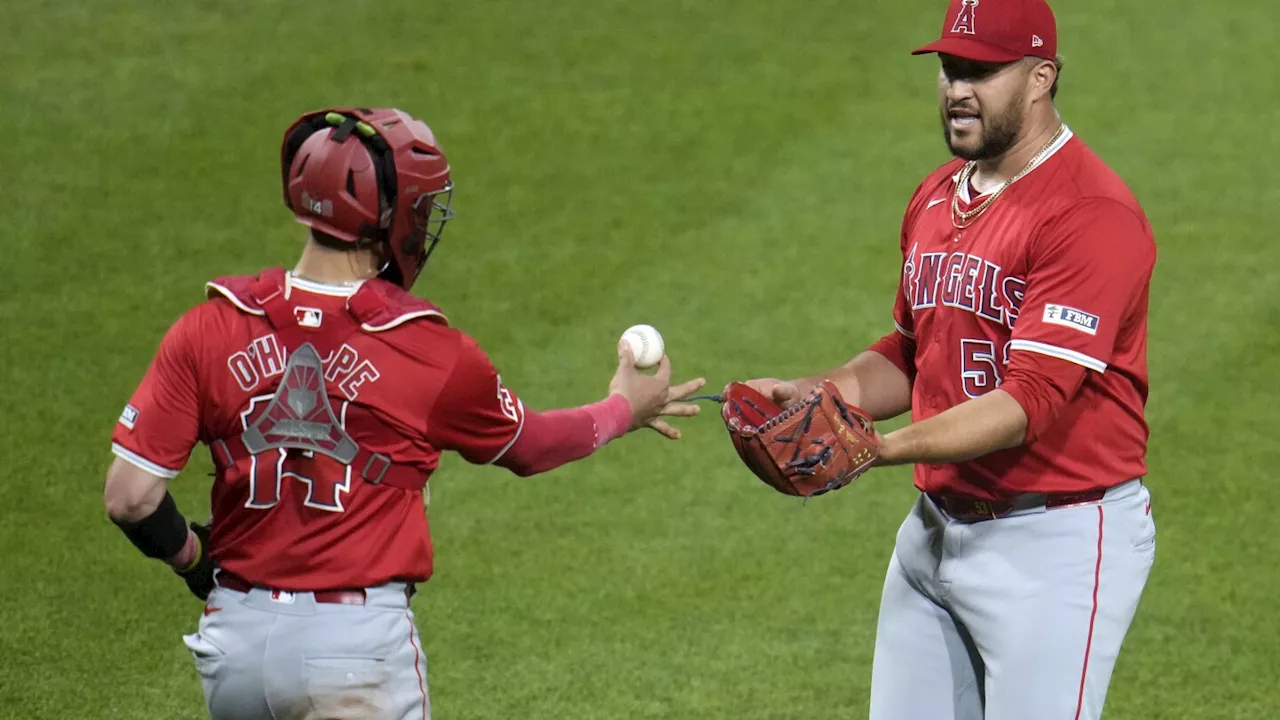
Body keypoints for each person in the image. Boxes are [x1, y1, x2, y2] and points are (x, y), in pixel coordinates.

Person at [103, 107, 705, 720]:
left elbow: (130, 497)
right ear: (394, 219)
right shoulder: (426, 349)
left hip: (233, 643)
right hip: (353, 654)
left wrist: (193, 559)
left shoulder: (209, 327)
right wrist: (622, 407)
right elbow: (530, 444)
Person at [740, 1, 1157, 718]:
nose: (958, 88)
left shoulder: (1089, 214)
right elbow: (913, 347)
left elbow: (1031, 400)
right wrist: (825, 392)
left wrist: (879, 446)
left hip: (1053, 544)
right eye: (949, 68)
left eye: (982, 71)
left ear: (1040, 77)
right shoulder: (937, 195)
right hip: (935, 530)